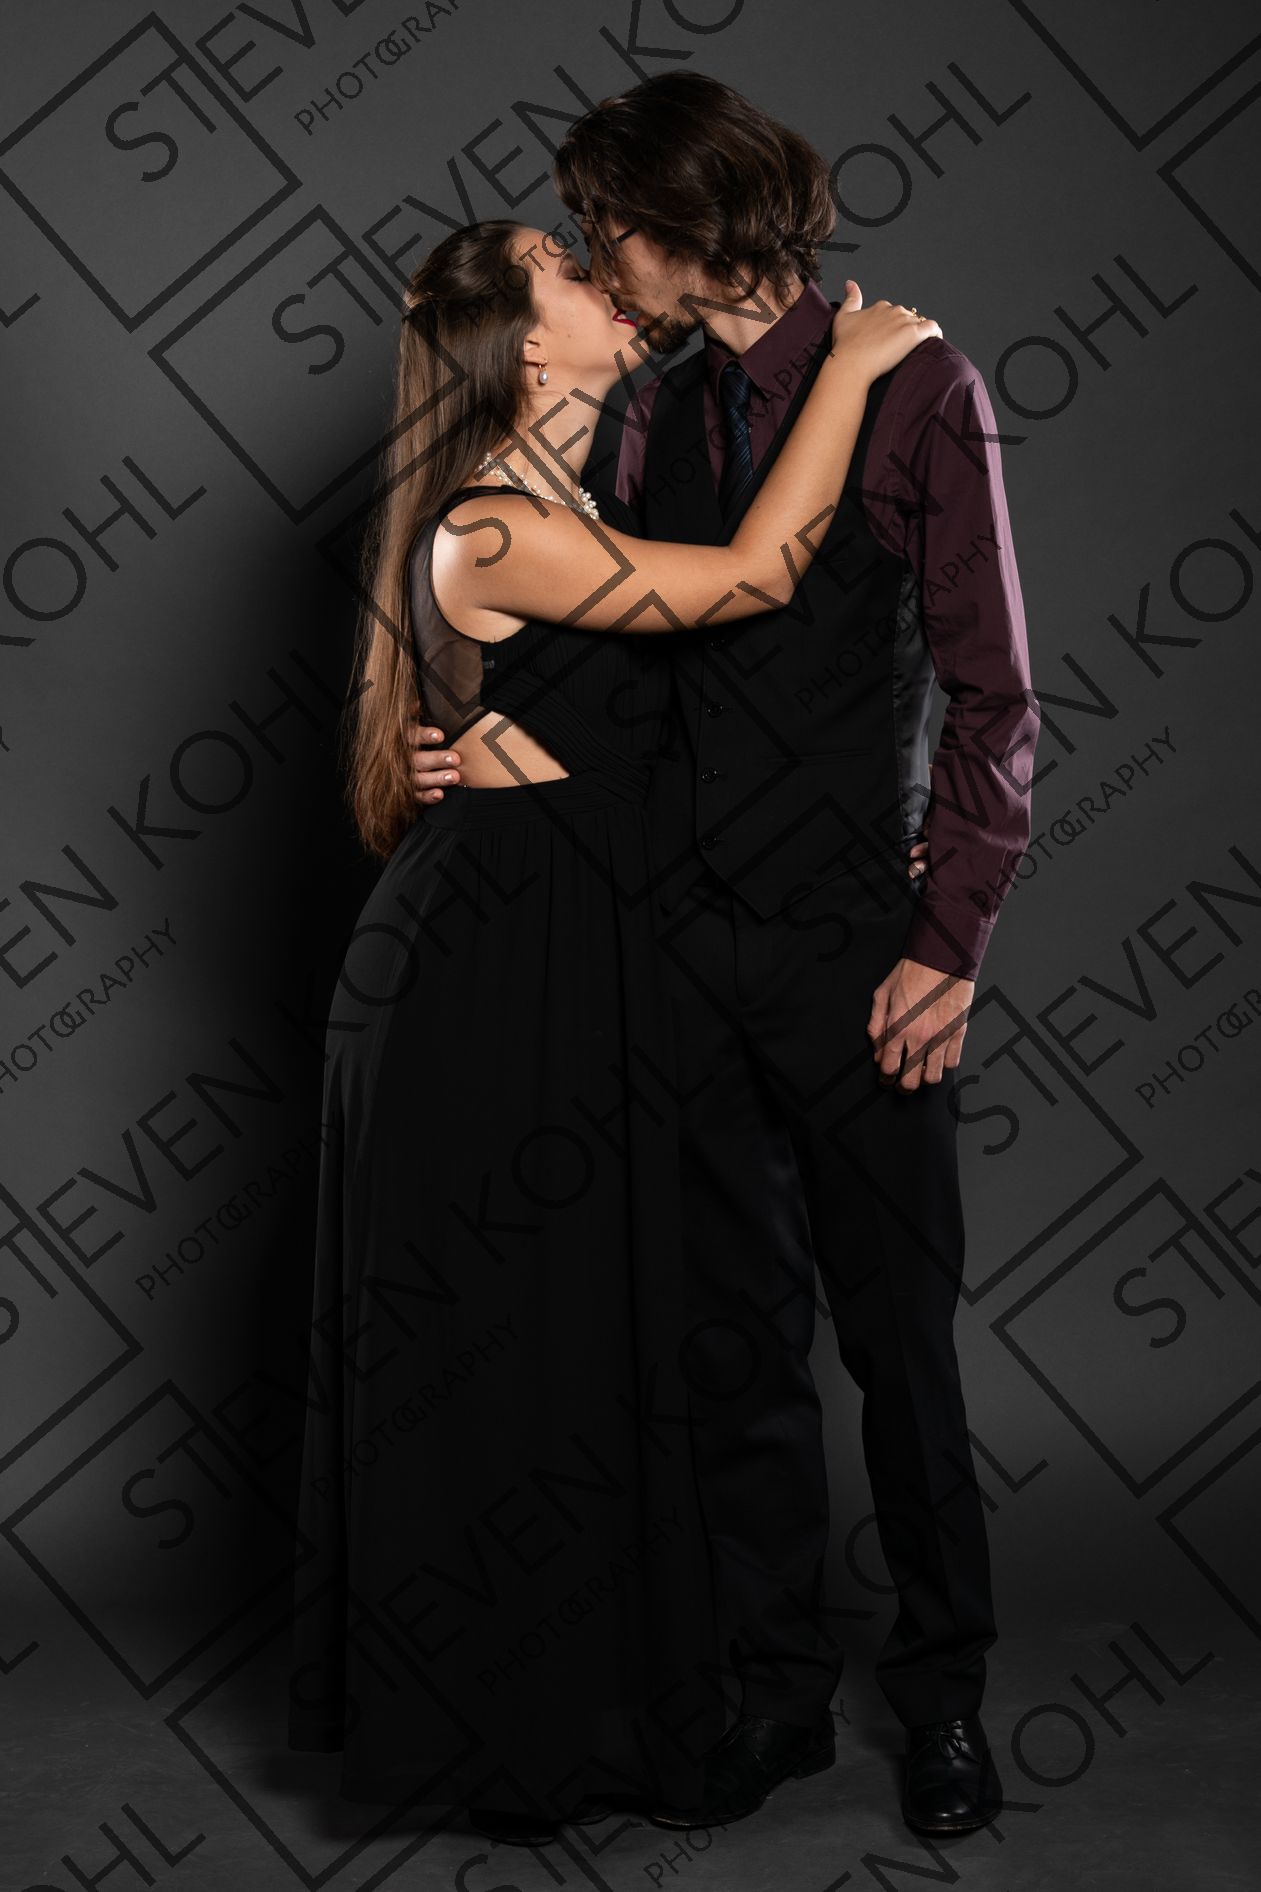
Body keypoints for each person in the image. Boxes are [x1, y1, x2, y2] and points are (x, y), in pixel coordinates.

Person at [410, 72, 1040, 1837]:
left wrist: (950, 935)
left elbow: (995, 697)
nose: (595, 259)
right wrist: (480, 754)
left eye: (601, 227)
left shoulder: (922, 388)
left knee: (899, 1344)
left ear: (682, 221)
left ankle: (944, 1702)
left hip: (861, 953)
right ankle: (774, 1695)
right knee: (728, 1348)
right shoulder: (651, 408)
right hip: (672, 948)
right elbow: (625, 666)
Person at [284, 209, 940, 1846]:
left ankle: (590, 1708)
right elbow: (755, 578)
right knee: (507, 1347)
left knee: (581, 1340)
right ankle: (494, 1734)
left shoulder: (597, 492)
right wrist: (851, 369)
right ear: (523, 339)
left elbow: (729, 696)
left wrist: (880, 819)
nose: (603, 274)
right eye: (567, 269)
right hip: (489, 970)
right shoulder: (494, 526)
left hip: (578, 948)